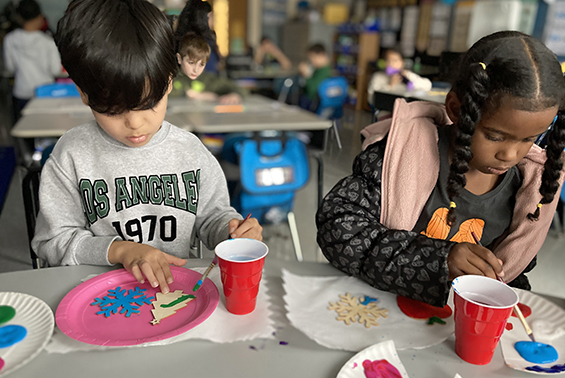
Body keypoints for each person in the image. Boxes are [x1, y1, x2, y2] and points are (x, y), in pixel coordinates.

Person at [316, 31, 565, 307]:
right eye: (495, 136)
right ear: (456, 108)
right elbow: (338, 230)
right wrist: (438, 259)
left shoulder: (527, 191)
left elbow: (513, 276)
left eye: (529, 139)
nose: (510, 154)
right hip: (379, 313)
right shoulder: (400, 156)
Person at [32, 0, 262, 295]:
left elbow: (212, 216)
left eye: (150, 104)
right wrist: (119, 251)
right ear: (84, 94)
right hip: (100, 301)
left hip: (178, 298)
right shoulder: (72, 156)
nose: (135, 123)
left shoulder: (190, 151)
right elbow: (51, 243)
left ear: (169, 81)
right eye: (114, 111)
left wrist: (232, 231)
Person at [3, 0, 61, 122]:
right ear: (40, 17)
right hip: (45, 92)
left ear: (19, 18)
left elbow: (10, 68)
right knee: (45, 126)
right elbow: (56, 70)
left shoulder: (9, 40)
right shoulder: (48, 42)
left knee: (26, 128)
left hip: (22, 92)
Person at [171, 32, 247, 105]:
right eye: (191, 63)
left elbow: (240, 89)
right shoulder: (171, 78)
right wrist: (187, 94)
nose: (196, 70)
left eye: (201, 65)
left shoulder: (208, 80)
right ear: (179, 59)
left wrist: (235, 95)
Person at [367, 47, 432, 105]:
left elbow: (428, 85)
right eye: (387, 60)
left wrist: (410, 81)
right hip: (385, 110)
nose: (391, 64)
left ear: (402, 63)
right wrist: (389, 86)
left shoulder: (407, 75)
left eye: (395, 60)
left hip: (406, 109)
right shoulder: (378, 76)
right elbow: (371, 98)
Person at [175, 0, 221, 74]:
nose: (214, 20)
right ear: (203, 19)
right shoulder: (202, 44)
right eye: (211, 16)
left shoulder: (181, 39)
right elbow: (211, 71)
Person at [298, 43, 331, 111]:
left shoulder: (324, 72)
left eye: (313, 57)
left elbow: (312, 92)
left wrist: (306, 74)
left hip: (313, 104)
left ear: (322, 55)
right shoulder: (323, 69)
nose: (312, 61)